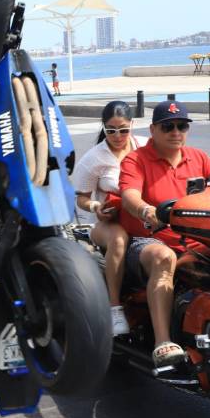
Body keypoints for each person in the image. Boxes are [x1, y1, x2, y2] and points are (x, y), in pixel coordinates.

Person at [118, 101, 210, 367]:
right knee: (164, 258)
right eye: (168, 127)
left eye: (182, 126)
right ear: (153, 129)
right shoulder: (136, 159)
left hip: (195, 240)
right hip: (148, 239)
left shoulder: (198, 157)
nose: (176, 132)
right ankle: (163, 343)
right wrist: (147, 211)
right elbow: (129, 195)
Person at [71, 101, 147, 336]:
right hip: (109, 223)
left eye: (123, 130)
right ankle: (114, 307)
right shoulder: (94, 158)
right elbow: (81, 198)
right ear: (103, 127)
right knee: (119, 238)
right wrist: (96, 206)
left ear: (132, 125)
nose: (118, 136)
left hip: (144, 216)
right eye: (111, 130)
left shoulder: (145, 147)